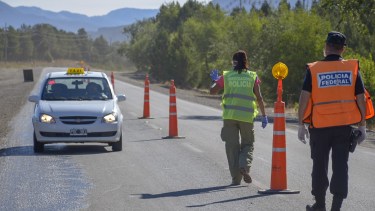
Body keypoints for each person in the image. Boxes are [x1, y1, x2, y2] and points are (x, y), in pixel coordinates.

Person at [297, 31, 367, 211]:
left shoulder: (314, 69)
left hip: (319, 127)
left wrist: (300, 124)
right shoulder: (351, 69)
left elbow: (304, 98)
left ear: (326, 47)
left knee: (319, 165)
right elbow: (361, 98)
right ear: (343, 49)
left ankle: (319, 205)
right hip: (344, 127)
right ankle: (336, 207)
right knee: (340, 166)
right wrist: (363, 126)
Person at [210, 50, 268, 186]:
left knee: (232, 147)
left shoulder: (227, 76)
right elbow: (259, 97)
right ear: (246, 62)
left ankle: (236, 179)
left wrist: (215, 80)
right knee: (248, 144)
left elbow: (212, 91)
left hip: (230, 117)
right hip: (247, 117)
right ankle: (244, 165)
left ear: (233, 62)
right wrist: (264, 115)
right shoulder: (252, 76)